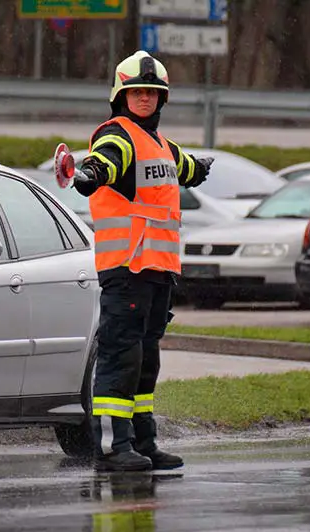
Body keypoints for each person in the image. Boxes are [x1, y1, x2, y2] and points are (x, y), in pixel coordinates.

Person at [72, 50, 214, 472]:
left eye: (152, 92)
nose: (145, 98)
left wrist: (198, 168)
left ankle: (143, 442)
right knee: (121, 356)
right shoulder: (117, 135)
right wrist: (90, 174)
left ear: (162, 98)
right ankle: (112, 447)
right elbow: (105, 161)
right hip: (127, 268)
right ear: (121, 96)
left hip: (157, 271)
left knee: (145, 359)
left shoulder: (160, 144)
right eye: (137, 92)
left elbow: (181, 167)